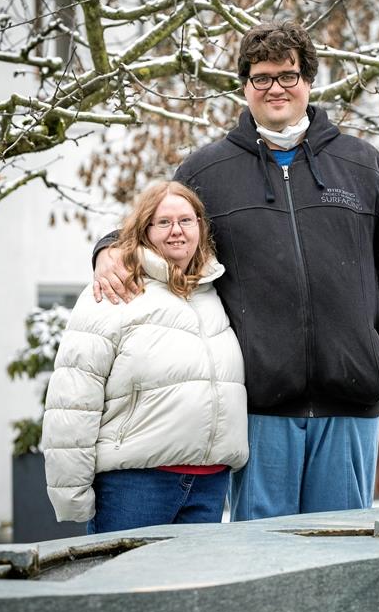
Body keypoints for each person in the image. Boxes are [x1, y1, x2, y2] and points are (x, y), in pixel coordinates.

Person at [92, 21, 379, 521]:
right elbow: (159, 226)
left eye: (288, 75)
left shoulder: (363, 165)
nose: (276, 88)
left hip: (351, 400)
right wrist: (108, 251)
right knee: (264, 560)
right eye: (262, 77)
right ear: (245, 86)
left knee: (345, 558)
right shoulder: (208, 171)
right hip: (259, 405)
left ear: (308, 81)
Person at [41, 181, 248, 534]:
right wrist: (71, 493)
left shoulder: (214, 293)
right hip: (135, 486)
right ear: (144, 230)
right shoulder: (113, 291)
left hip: (209, 484)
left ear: (201, 226)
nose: (176, 232)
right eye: (163, 222)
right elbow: (73, 399)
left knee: (194, 591)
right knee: (124, 589)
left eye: (186, 220)